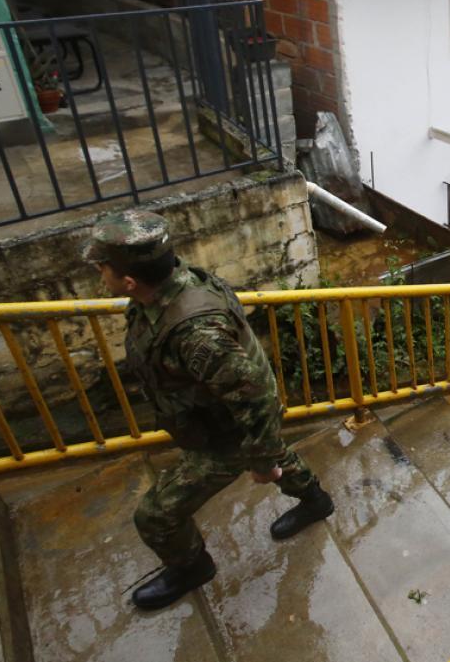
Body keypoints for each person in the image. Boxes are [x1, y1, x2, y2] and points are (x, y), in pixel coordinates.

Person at [83, 210, 334, 611]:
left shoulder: (195, 332)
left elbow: (256, 399)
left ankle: (191, 568)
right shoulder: (173, 285)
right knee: (274, 456)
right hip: (220, 417)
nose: (101, 275)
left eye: (103, 268)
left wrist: (261, 457)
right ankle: (317, 500)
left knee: (154, 516)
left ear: (129, 280)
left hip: (226, 433)